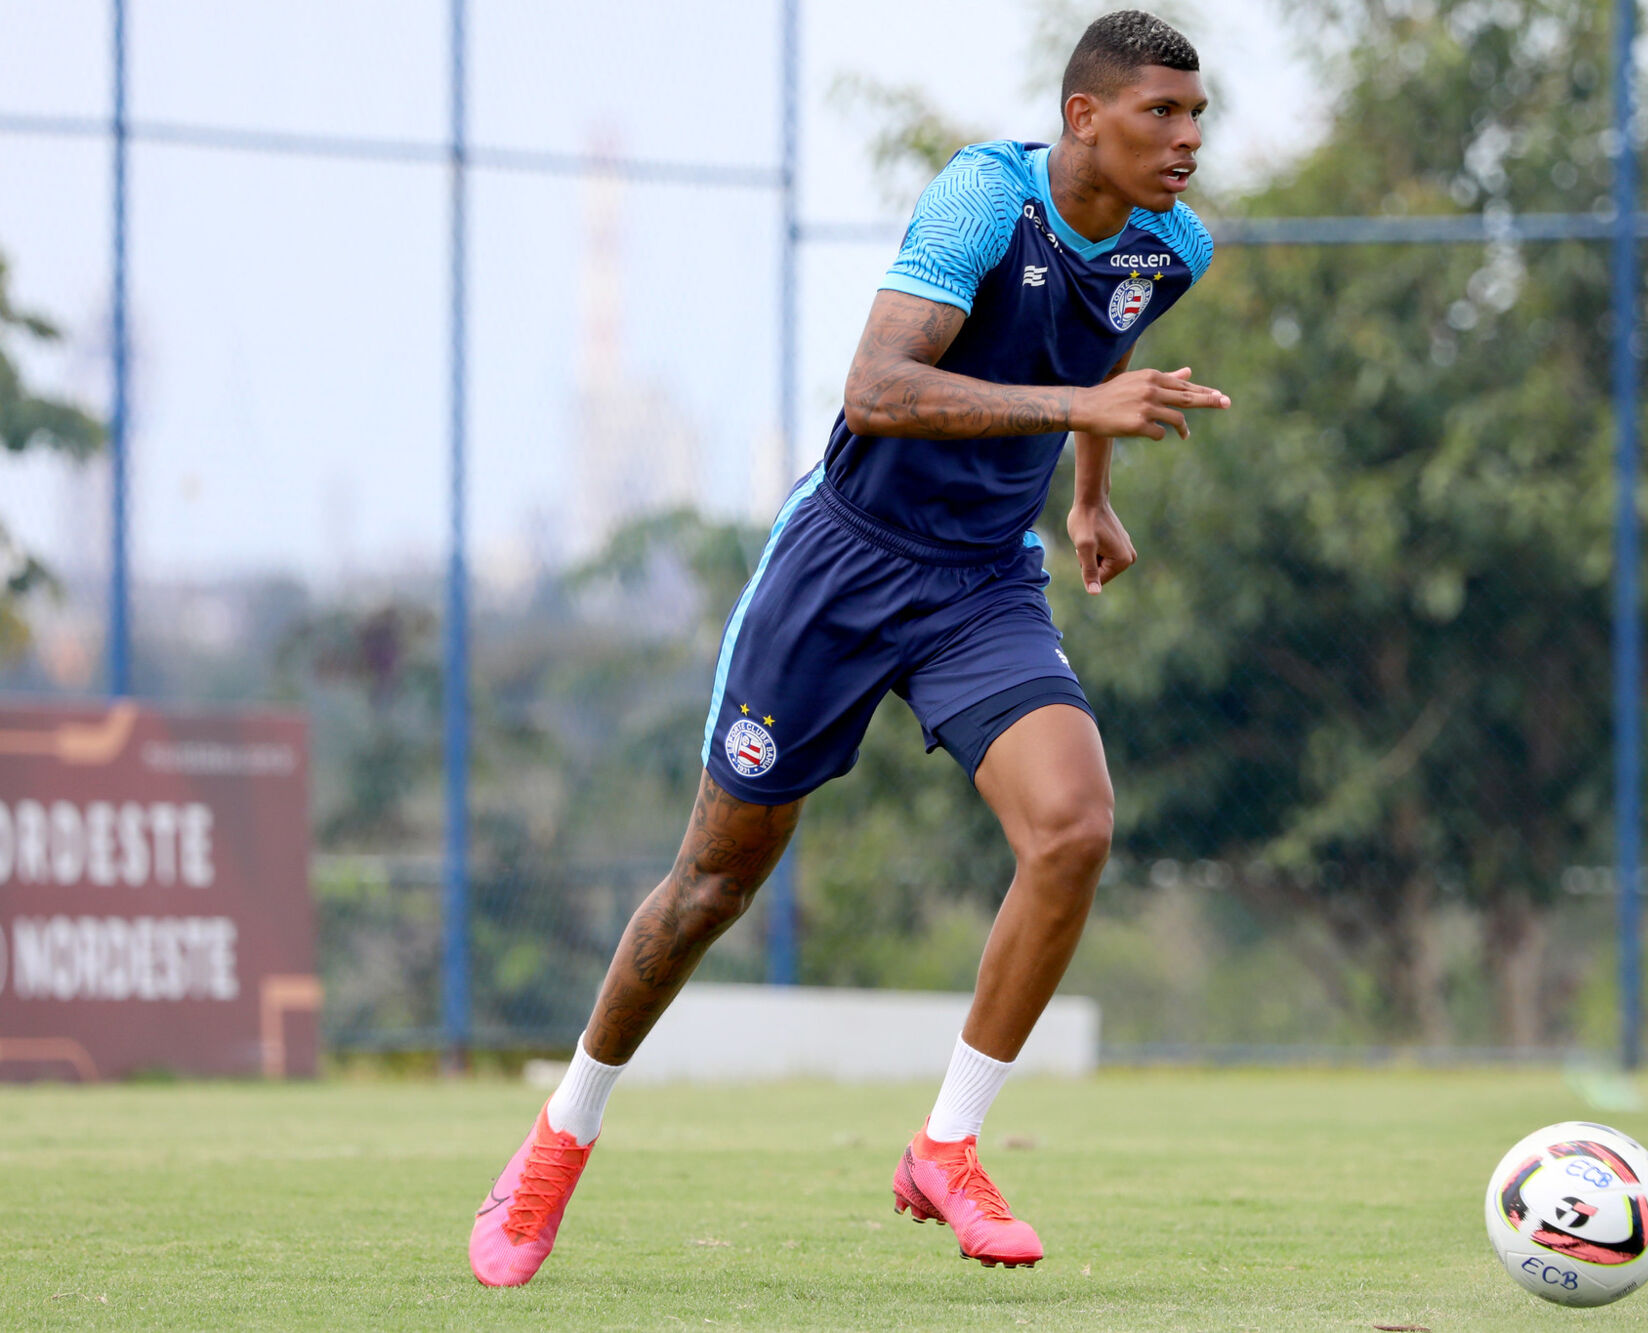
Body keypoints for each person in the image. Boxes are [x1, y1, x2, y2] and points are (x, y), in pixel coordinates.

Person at [470, 9, 1227, 1286]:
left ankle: (947, 1144)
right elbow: (873, 391)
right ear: (1083, 118)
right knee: (714, 885)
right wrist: (1077, 411)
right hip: (841, 567)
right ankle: (558, 1136)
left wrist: (1089, 492)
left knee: (1075, 826)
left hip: (982, 584)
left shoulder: (1172, 244)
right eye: (1162, 113)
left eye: (1197, 115)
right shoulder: (983, 202)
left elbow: (1106, 349)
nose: (1188, 140)